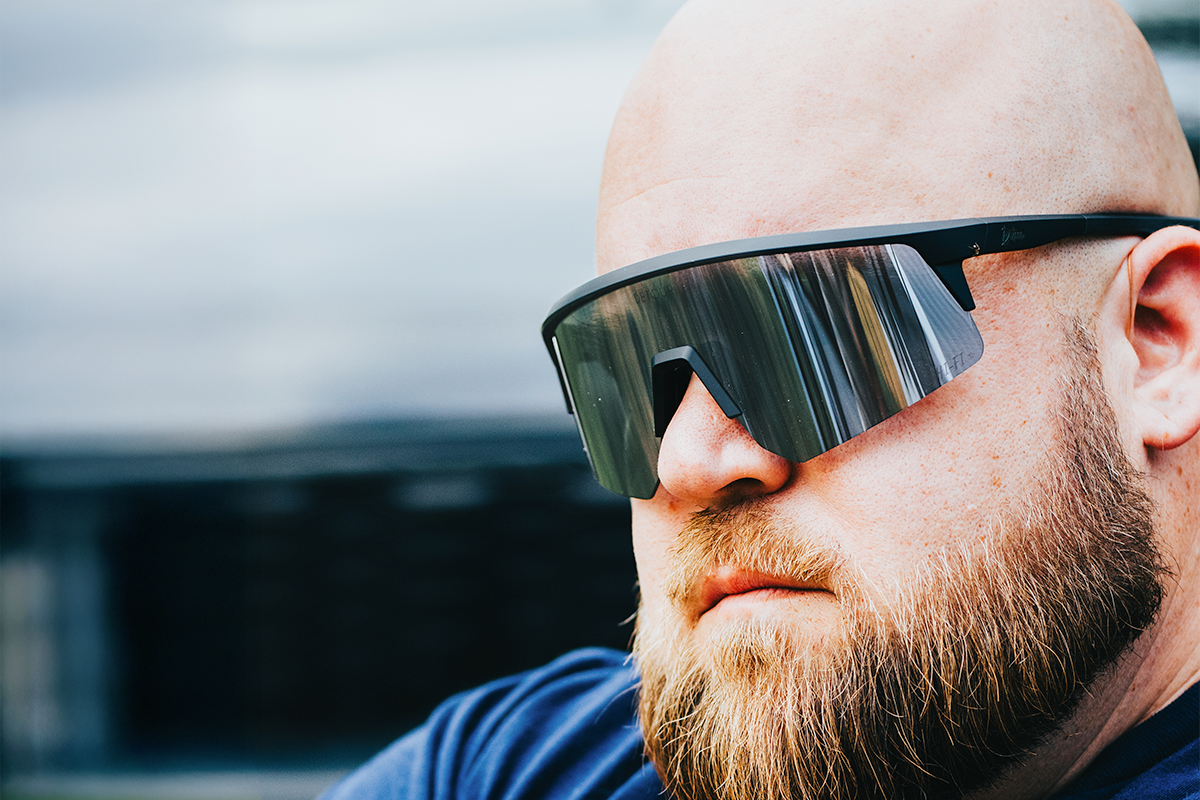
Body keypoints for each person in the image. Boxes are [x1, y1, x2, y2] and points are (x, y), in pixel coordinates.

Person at [322, 0, 1200, 798]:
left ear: (1158, 341)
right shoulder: (507, 767)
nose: (687, 462)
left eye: (817, 330)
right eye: (629, 365)